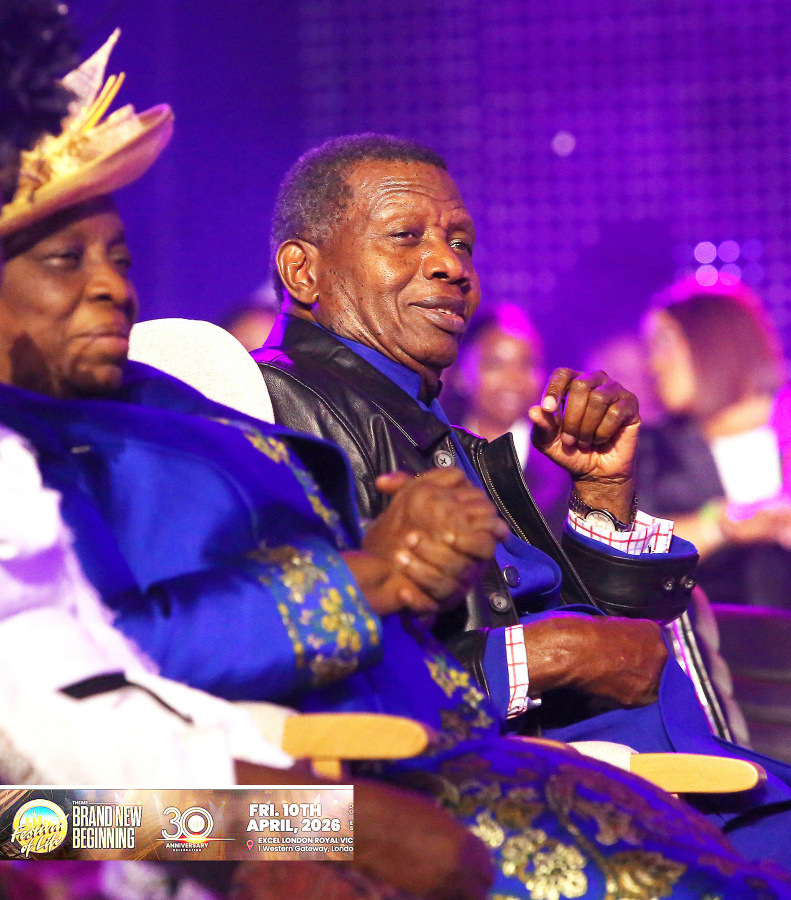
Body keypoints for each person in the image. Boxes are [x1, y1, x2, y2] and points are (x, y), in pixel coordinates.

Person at [0, 43, 782, 900]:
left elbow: (125, 713)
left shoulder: (157, 411)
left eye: (121, 259)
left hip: (403, 780)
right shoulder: (79, 453)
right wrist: (302, 826)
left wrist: (310, 819)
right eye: (66, 259)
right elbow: (39, 808)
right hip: (336, 800)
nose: (114, 288)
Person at [253, 132, 791, 865]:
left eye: (460, 243)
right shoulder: (274, 410)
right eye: (406, 237)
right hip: (525, 806)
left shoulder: (430, 425)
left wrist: (602, 496)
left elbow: (614, 648)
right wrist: (541, 655)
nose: (451, 265)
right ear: (303, 270)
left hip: (665, 781)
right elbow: (301, 665)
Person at [639, 277, 791, 608]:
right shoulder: (652, 448)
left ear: (714, 341)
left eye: (664, 343)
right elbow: (629, 550)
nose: (654, 364)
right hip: (709, 633)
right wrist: (718, 525)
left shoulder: (784, 425)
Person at [445, 302, 569, 536]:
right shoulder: (436, 450)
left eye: (527, 364)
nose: (513, 380)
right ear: (461, 373)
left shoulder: (563, 464)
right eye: (495, 364)